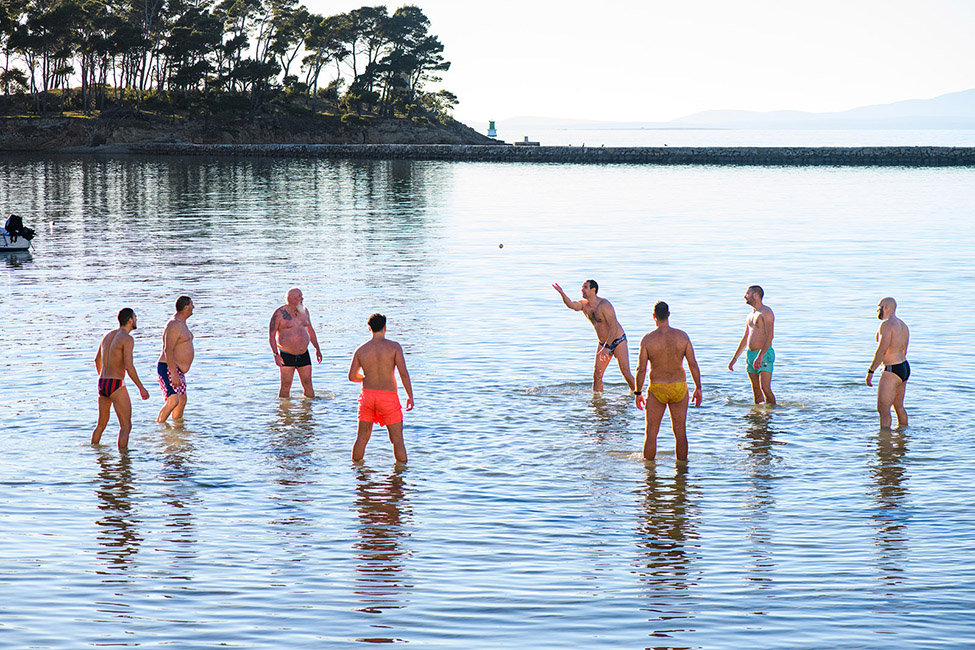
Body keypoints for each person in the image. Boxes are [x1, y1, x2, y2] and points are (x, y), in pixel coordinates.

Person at [634, 302, 703, 461]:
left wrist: (638, 392)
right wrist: (698, 387)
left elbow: (641, 369)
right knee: (680, 432)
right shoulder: (682, 336)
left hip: (657, 388)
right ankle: (682, 471)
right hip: (679, 387)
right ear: (669, 315)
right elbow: (693, 364)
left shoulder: (648, 339)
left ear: (654, 316)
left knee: (651, 433)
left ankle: (649, 472)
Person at [349, 313, 414, 463]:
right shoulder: (394, 347)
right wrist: (410, 396)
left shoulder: (361, 350)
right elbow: (403, 374)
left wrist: (365, 378)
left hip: (367, 396)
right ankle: (400, 474)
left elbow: (352, 376)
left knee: (361, 438)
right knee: (397, 440)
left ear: (369, 328)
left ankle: (357, 472)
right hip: (388, 397)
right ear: (385, 328)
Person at [552, 279, 636, 392]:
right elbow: (572, 305)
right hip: (603, 343)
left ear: (593, 290)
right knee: (597, 374)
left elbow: (614, 328)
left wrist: (607, 347)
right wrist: (562, 293)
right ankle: (597, 400)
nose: (582, 290)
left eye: (585, 287)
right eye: (582, 287)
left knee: (625, 373)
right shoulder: (584, 305)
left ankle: (637, 394)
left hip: (617, 340)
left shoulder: (604, 305)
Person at [92, 308, 151, 448]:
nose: (136, 320)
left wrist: (104, 378)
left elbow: (96, 360)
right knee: (126, 426)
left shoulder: (107, 336)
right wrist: (141, 388)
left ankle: (94, 452)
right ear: (130, 320)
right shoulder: (127, 339)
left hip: (102, 382)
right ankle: (124, 459)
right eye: (135, 317)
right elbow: (129, 366)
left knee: (101, 424)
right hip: (115, 383)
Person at [269, 288, 323, 398]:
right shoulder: (279, 314)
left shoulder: (304, 311)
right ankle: (284, 408)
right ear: (290, 299)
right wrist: (276, 355)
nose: (302, 298)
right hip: (286, 354)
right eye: (299, 296)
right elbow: (271, 336)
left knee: (308, 384)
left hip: (303, 354)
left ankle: (309, 408)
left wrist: (317, 349)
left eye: (301, 296)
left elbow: (311, 331)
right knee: (286, 385)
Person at [867, 297, 910, 429]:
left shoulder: (886, 325)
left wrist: (871, 371)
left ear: (886, 308)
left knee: (883, 409)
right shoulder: (903, 325)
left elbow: (882, 350)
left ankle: (884, 439)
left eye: (879, 307)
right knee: (899, 406)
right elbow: (904, 350)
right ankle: (903, 436)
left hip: (892, 369)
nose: (877, 310)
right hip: (904, 367)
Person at [729, 285, 775, 405]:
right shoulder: (750, 315)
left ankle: (772, 412)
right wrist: (734, 358)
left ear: (755, 295)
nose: (745, 296)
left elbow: (770, 336)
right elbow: (745, 338)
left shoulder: (766, 312)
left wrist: (760, 355)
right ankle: (757, 414)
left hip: (764, 354)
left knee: (765, 388)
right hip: (750, 355)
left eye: (747, 294)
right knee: (755, 389)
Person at [156, 295, 195, 422]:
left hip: (178, 369)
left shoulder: (182, 323)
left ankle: (176, 429)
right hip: (168, 366)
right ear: (185, 307)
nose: (193, 307)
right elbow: (168, 349)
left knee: (182, 400)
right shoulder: (174, 324)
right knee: (173, 400)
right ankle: (159, 427)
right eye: (191, 305)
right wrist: (173, 373)